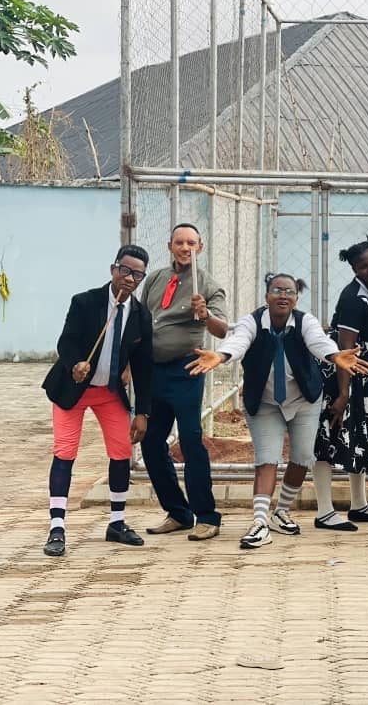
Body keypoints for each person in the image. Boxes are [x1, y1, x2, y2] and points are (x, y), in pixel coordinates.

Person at [187, 274, 368, 549]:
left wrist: (334, 356)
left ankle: (281, 511)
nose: (283, 295)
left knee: (302, 458)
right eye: (277, 290)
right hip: (265, 402)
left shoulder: (304, 321)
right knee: (267, 460)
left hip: (304, 400)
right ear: (266, 296)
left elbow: (318, 342)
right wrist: (221, 356)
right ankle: (260, 523)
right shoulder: (252, 322)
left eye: (289, 292)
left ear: (296, 299)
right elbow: (238, 342)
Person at [40, 245, 154, 557]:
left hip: (109, 392)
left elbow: (144, 367)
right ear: (113, 269)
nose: (129, 278)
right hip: (72, 390)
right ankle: (57, 527)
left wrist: (143, 412)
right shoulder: (85, 302)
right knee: (65, 452)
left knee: (121, 452)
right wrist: (75, 364)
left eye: (137, 275)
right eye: (125, 270)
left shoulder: (141, 315)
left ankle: (117, 523)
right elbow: (66, 341)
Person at [139, 223, 228, 542]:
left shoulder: (208, 285)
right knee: (151, 442)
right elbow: (141, 319)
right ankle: (178, 512)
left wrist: (204, 315)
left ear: (200, 247)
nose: (185, 248)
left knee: (190, 440)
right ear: (170, 246)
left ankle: (207, 516)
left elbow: (221, 330)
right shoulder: (155, 279)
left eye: (191, 243)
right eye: (179, 242)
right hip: (153, 371)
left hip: (186, 370)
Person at [314, 235, 368, 527]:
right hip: (343, 371)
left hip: (364, 370)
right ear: (354, 270)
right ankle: (324, 510)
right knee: (329, 435)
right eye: (363, 266)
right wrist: (343, 393)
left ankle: (359, 504)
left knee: (359, 435)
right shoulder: (353, 297)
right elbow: (345, 348)